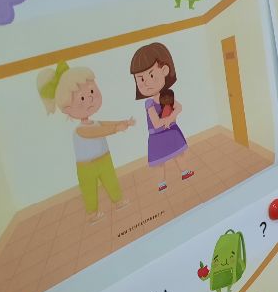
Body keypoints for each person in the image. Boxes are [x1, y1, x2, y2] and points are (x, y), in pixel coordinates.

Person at [37, 61, 134, 224]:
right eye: (82, 97)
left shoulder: (94, 122)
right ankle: (92, 214)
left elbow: (104, 124)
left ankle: (118, 201)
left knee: (111, 180)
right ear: (67, 108)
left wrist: (123, 122)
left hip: (104, 159)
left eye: (92, 91)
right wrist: (117, 129)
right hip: (86, 167)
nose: (90, 98)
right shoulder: (80, 130)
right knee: (89, 190)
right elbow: (96, 132)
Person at [130, 42, 194, 192]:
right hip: (157, 136)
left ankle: (184, 172)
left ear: (164, 70)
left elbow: (179, 107)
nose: (147, 82)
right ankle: (161, 183)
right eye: (141, 79)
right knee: (159, 163)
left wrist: (171, 118)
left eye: (151, 75)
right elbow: (156, 123)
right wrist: (168, 120)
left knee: (179, 154)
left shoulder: (167, 96)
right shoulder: (149, 103)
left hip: (171, 131)